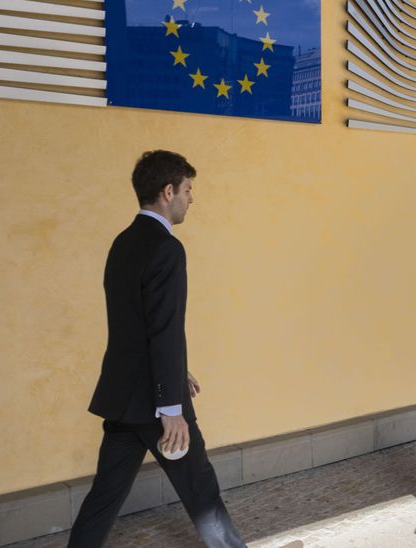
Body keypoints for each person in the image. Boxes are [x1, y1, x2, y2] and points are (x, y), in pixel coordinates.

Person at [68, 150, 245, 547]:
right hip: (154, 401)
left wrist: (176, 369)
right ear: (168, 192)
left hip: (121, 394)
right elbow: (164, 328)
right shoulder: (167, 248)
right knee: (200, 490)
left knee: (105, 495)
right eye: (187, 189)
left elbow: (135, 325)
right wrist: (171, 408)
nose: (191, 198)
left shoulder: (123, 242)